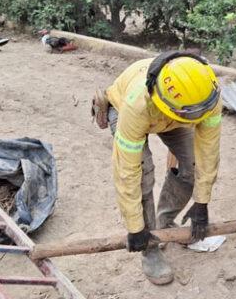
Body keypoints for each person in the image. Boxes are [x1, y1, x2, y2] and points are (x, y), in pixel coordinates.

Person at [91, 51, 222, 285]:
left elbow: (208, 152)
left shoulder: (206, 94)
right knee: (143, 174)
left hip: (175, 115)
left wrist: (202, 202)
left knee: (191, 164)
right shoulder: (137, 105)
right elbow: (127, 171)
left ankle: (164, 224)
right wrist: (136, 228)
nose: (203, 117)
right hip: (126, 108)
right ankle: (150, 249)